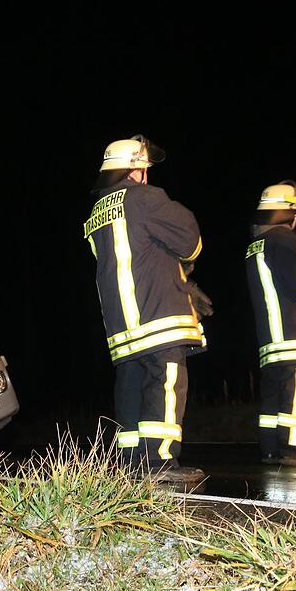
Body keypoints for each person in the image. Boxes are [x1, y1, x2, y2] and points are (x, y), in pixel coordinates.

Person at [83, 135, 208, 483]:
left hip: (121, 325)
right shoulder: (145, 198)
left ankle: (130, 465)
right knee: (165, 383)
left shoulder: (97, 211)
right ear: (135, 169)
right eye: (145, 169)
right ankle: (160, 464)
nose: (147, 176)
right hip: (157, 316)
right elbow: (190, 242)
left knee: (130, 387)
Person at [245, 181, 296, 466]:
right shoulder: (283, 239)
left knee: (273, 398)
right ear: (290, 213)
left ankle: (271, 448)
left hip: (271, 341)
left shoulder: (257, 243)